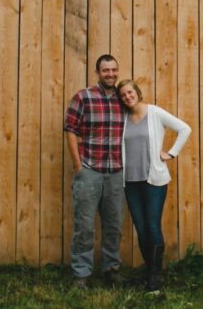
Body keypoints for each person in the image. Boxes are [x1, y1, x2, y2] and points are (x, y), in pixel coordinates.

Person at [117, 79, 191, 291]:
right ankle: (150, 272)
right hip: (130, 182)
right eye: (123, 95)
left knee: (151, 225)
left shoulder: (155, 113)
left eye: (130, 92)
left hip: (154, 181)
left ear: (137, 92)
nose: (127, 97)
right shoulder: (124, 118)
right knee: (140, 228)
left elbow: (185, 129)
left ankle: (155, 278)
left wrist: (171, 153)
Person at [63, 54, 126, 288]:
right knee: (85, 225)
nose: (110, 74)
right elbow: (70, 129)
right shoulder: (84, 97)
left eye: (114, 70)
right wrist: (78, 165)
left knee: (114, 225)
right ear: (97, 73)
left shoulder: (123, 98)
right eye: (106, 70)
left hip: (116, 172)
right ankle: (81, 274)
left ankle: (111, 269)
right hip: (90, 170)